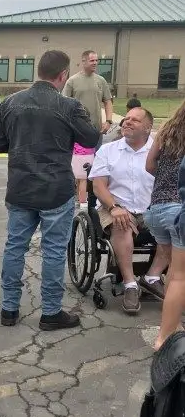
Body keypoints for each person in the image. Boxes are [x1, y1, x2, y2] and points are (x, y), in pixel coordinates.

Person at [0, 49, 100, 330]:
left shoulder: (10, 102)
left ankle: (9, 309)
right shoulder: (69, 106)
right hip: (56, 190)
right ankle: (50, 312)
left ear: (38, 71)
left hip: (20, 188)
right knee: (53, 251)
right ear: (63, 75)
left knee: (15, 247)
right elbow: (91, 138)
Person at [89, 107, 168, 315]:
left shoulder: (160, 152)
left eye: (135, 120)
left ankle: (152, 277)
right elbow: (98, 186)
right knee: (122, 223)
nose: (127, 122)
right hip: (114, 206)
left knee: (174, 224)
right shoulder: (108, 150)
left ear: (148, 128)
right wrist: (114, 207)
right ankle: (130, 284)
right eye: (126, 119)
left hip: (150, 208)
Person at [144, 101, 185, 348]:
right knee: (180, 276)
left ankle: (172, 323)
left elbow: (149, 165)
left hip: (156, 209)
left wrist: (165, 180)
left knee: (175, 271)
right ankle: (166, 335)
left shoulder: (166, 131)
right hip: (178, 209)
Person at [62, 49, 114, 137]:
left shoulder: (101, 80)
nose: (95, 63)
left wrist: (108, 121)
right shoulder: (72, 81)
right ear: (84, 61)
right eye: (92, 60)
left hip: (96, 130)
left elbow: (108, 101)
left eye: (96, 60)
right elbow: (63, 104)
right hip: (77, 130)